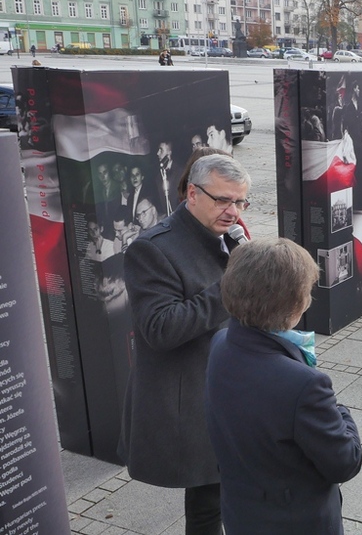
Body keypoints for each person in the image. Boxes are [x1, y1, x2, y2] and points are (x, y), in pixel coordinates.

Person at [120, 154, 252, 535]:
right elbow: (160, 329)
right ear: (192, 193)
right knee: (207, 504)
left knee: (228, 492)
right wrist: (232, 283)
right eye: (224, 200)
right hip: (192, 397)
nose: (233, 211)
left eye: (241, 201)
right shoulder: (152, 249)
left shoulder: (225, 231)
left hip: (231, 384)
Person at [206, 238, 362, 535]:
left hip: (243, 512)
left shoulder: (221, 343)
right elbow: (345, 462)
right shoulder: (304, 385)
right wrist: (341, 410)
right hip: (296, 521)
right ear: (295, 305)